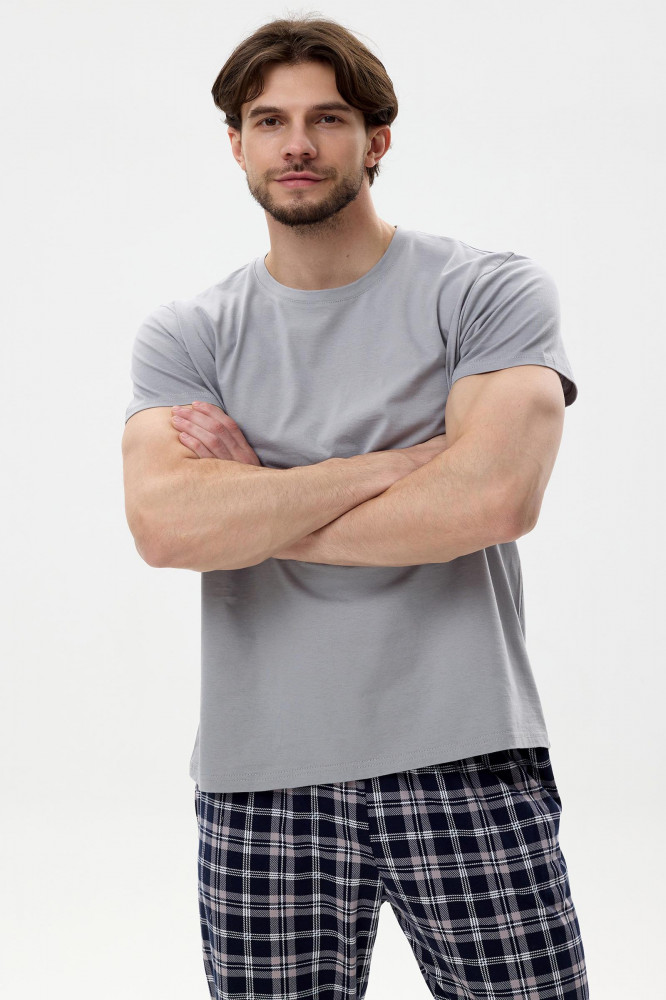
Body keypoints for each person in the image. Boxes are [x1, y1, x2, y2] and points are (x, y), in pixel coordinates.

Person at [121, 14, 590, 1000]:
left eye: (327, 119)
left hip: (466, 756)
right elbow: (167, 527)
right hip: (261, 775)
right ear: (237, 145)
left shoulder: (485, 292)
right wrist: (406, 463)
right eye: (270, 121)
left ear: (376, 139)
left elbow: (494, 499)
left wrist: (259, 498)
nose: (297, 143)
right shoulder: (188, 335)